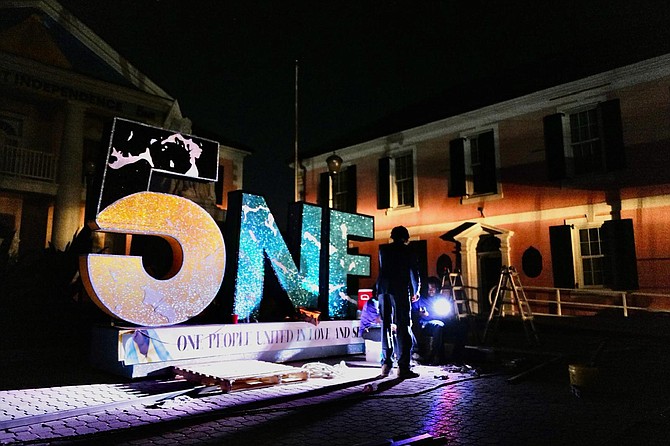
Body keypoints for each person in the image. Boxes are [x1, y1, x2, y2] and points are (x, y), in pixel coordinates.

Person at [376, 226, 421, 379]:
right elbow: (413, 271)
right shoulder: (408, 250)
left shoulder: (383, 249)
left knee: (386, 325)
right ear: (406, 237)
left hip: (383, 289)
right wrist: (416, 290)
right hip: (400, 288)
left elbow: (383, 269)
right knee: (403, 325)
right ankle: (403, 367)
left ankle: (385, 364)